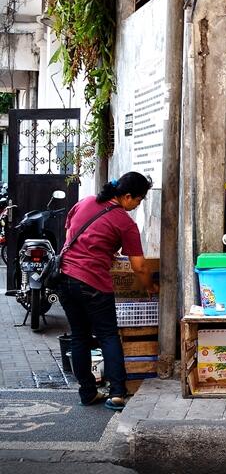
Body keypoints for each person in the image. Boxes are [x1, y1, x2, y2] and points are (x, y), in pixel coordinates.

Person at [58, 172, 156, 411]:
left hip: (64, 278)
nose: (137, 205)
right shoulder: (124, 222)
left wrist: (100, 249)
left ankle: (87, 393)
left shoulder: (87, 202)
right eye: (139, 200)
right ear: (127, 196)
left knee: (79, 336)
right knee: (108, 335)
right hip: (93, 283)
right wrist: (150, 287)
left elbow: (71, 230)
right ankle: (117, 393)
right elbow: (140, 267)